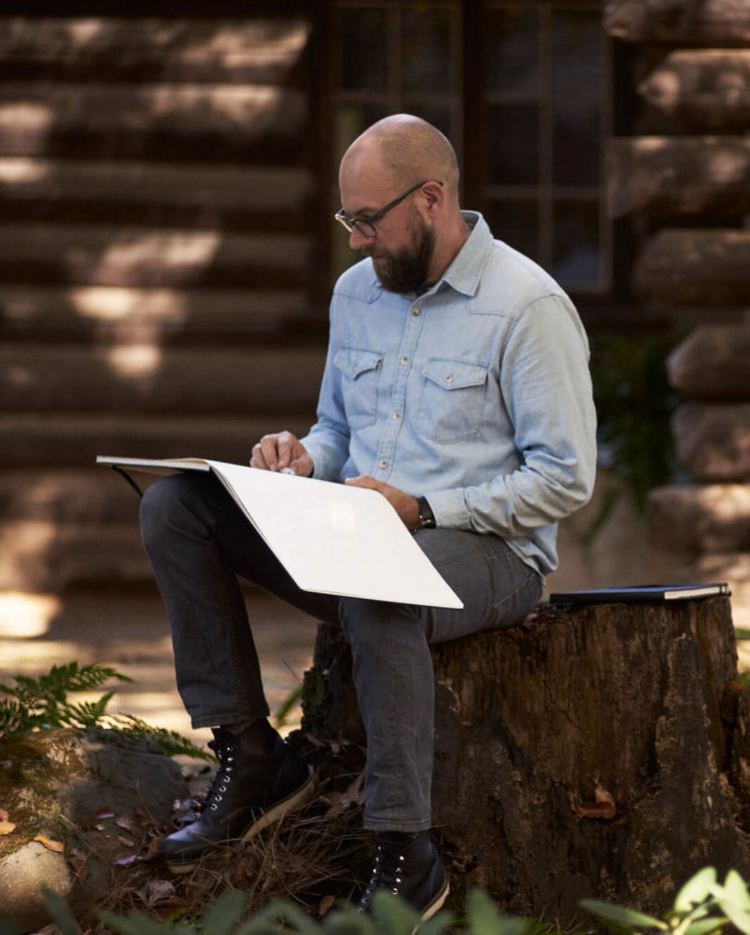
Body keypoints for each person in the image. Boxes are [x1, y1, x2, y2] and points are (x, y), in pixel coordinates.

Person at [138, 114, 597, 918]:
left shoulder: (530, 307)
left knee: (381, 586)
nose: (355, 241)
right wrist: (302, 456)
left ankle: (404, 848)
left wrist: (422, 508)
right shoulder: (359, 293)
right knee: (179, 505)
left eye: (367, 220)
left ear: (431, 199)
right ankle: (253, 758)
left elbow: (564, 479)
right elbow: (339, 429)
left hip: (492, 555)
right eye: (346, 220)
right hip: (356, 535)